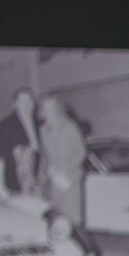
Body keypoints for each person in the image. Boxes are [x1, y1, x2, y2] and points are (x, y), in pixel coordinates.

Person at [37, 96, 87, 228]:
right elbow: (45, 155)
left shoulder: (69, 126)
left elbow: (81, 151)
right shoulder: (43, 130)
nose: (49, 110)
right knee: (57, 214)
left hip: (70, 177)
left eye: (52, 106)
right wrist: (42, 173)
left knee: (72, 215)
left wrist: (67, 168)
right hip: (53, 177)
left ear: (58, 108)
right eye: (45, 107)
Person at [0, 89, 41, 197]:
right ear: (15, 104)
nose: (26, 105)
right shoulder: (6, 124)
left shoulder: (40, 122)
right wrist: (15, 152)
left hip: (40, 178)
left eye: (29, 101)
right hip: (17, 180)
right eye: (22, 101)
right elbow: (0, 151)